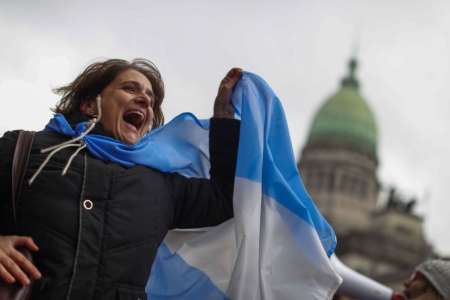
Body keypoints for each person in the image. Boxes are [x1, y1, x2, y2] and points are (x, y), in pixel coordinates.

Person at [0, 58, 241, 299]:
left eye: (151, 99)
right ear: (89, 105)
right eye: (130, 88)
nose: (145, 100)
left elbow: (227, 198)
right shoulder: (23, 149)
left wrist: (224, 118)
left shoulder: (163, 187)